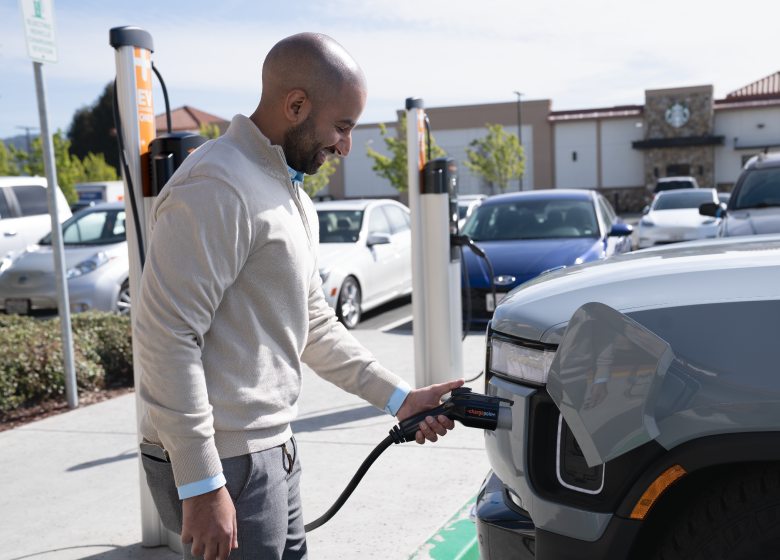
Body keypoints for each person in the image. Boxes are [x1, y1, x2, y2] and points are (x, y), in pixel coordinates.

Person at [135, 32, 463, 560]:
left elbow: (314, 323)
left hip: (272, 451)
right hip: (226, 463)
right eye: (342, 126)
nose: (345, 145)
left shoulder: (290, 196)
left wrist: (400, 398)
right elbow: (166, 337)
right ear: (295, 105)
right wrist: (200, 483)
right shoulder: (217, 186)